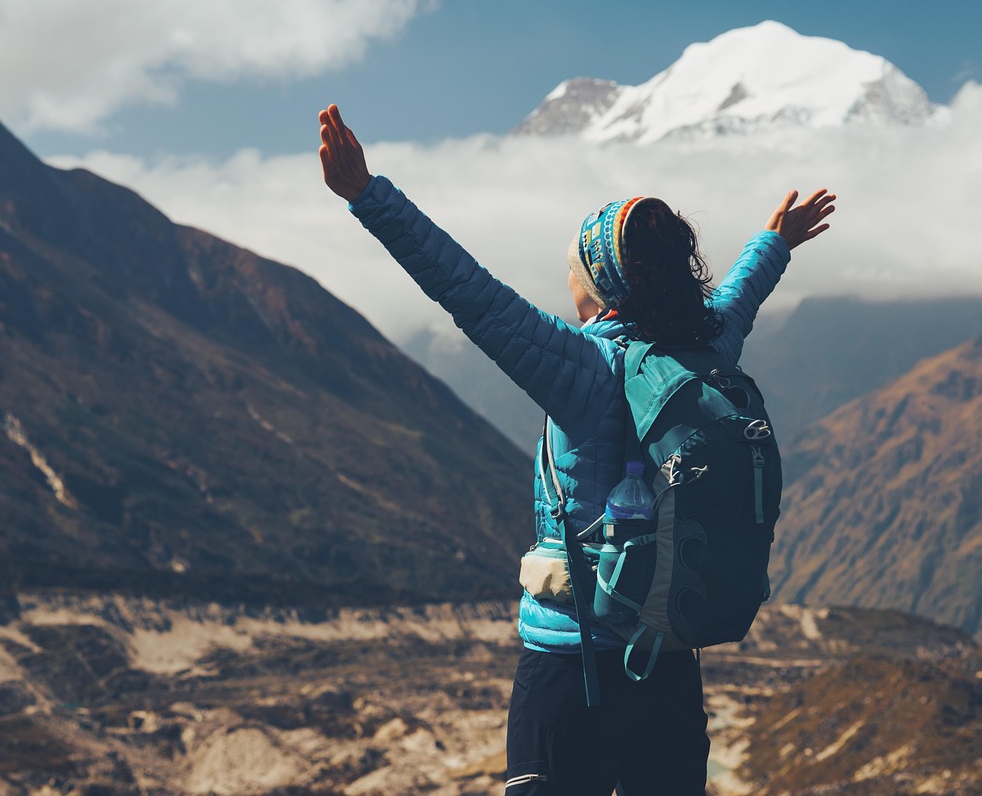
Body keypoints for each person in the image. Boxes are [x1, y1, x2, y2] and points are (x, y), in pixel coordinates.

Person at [318, 103, 834, 795]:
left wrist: (368, 196)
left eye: (573, 266)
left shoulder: (575, 366)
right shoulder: (703, 350)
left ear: (599, 279)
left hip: (574, 663)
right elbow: (737, 300)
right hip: (667, 650)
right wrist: (774, 244)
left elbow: (466, 289)